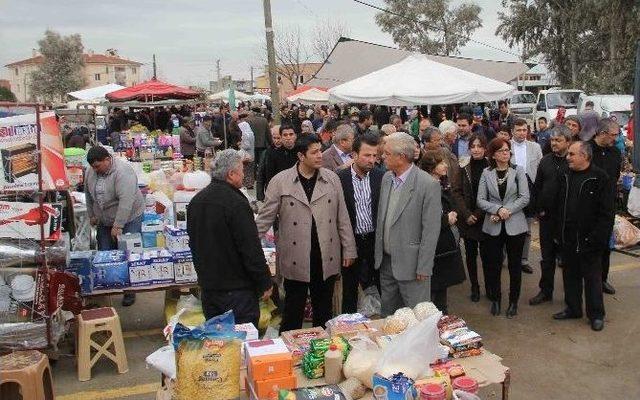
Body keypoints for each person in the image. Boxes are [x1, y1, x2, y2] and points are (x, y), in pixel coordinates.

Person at [256, 135, 357, 331]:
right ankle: (288, 353)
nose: (320, 155)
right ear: (301, 156)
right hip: (295, 257)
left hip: (325, 255)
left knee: (324, 311)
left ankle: (323, 353)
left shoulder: (331, 178)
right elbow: (265, 218)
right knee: (293, 311)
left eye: (320, 150)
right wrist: (248, 247)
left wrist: (349, 250)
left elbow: (342, 217)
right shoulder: (281, 181)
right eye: (315, 152)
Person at [187, 150, 273, 325]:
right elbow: (250, 248)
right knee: (241, 343)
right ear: (231, 174)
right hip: (237, 292)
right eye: (241, 170)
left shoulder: (197, 201)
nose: (244, 174)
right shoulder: (236, 203)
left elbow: (193, 243)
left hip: (209, 288)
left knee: (218, 345)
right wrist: (264, 281)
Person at [375, 132, 442, 316]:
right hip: (387, 262)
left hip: (413, 267)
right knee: (389, 317)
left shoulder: (428, 184)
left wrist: (424, 266)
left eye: (387, 153)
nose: (382, 157)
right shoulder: (387, 178)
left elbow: (431, 229)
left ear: (401, 157)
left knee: (417, 318)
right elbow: (383, 217)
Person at [553, 141, 613, 332]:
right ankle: (573, 308)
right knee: (570, 275)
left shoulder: (600, 178)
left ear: (584, 156)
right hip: (568, 236)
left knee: (593, 278)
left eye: (571, 154)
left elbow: (607, 214)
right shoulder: (566, 175)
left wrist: (597, 239)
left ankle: (596, 315)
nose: (568, 157)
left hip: (590, 239)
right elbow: (558, 204)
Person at [85, 146, 144, 307]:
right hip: (104, 219)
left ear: (107, 160)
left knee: (127, 254)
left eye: (98, 166)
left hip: (129, 216)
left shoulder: (123, 172)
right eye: (92, 167)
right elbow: (88, 195)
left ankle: (129, 291)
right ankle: (107, 289)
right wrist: (91, 214)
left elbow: (126, 201)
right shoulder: (91, 172)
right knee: (105, 253)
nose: (95, 170)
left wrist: (118, 225)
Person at [477, 138, 530, 318]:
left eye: (507, 150)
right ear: (493, 154)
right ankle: (496, 299)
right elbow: (481, 200)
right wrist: (498, 209)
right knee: (494, 265)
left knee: (515, 266)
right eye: (500, 151)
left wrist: (507, 210)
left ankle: (513, 302)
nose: (505, 153)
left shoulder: (518, 171)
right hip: (493, 226)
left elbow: (524, 197)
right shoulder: (487, 173)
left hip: (515, 225)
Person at [336, 134, 384, 313]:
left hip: (375, 239)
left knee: (380, 282)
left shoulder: (381, 177)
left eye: (374, 155)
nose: (372, 160)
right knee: (350, 287)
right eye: (367, 155)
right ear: (354, 155)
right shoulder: (340, 179)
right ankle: (349, 324)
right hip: (351, 240)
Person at [419, 148, 466, 314]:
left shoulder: (442, 183)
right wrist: (447, 219)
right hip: (435, 245)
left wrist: (453, 214)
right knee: (433, 287)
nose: (445, 165)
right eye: (441, 163)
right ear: (432, 167)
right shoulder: (426, 187)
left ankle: (441, 316)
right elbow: (424, 218)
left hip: (445, 244)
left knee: (442, 286)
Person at [528, 125, 571, 305]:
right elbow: (537, 188)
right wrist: (538, 210)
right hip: (547, 219)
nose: (554, 143)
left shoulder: (573, 161)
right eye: (552, 140)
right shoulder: (545, 161)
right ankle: (545, 291)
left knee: (568, 260)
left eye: (558, 140)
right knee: (547, 258)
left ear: (568, 142)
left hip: (568, 221)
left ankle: (571, 296)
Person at [452, 134, 490, 302]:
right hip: (467, 219)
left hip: (486, 217)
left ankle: (490, 287)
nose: (476, 149)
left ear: (485, 148)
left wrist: (478, 213)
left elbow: (492, 194)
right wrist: (466, 214)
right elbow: (456, 191)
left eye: (479, 146)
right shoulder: (463, 166)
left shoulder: (491, 166)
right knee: (470, 255)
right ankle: (474, 286)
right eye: (473, 146)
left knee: (489, 256)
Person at [589, 119, 622, 295]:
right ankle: (583, 279)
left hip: (607, 207)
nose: (616, 139)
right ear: (602, 133)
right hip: (587, 207)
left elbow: (615, 177)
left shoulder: (615, 152)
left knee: (605, 246)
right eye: (614, 135)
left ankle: (603, 279)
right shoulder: (586, 150)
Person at [510, 118, 542, 274]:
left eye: (524, 130)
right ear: (512, 131)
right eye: (518, 130)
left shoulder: (535, 147)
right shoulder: (505, 146)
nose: (522, 133)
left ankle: (523, 259)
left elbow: (540, 170)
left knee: (527, 228)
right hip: (511, 191)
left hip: (530, 191)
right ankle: (506, 256)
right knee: (508, 225)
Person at [264, 124, 297, 190]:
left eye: (291, 134)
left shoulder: (301, 151)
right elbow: (269, 176)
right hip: (281, 189)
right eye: (285, 135)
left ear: (295, 136)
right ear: (281, 137)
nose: (288, 137)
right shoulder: (273, 154)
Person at [256, 125, 282, 201]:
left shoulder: (288, 152)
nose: (276, 141)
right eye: (274, 138)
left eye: (279, 138)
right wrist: (260, 195)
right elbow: (260, 174)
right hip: (271, 190)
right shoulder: (267, 152)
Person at [247, 107, 270, 172]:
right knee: (261, 162)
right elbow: (268, 133)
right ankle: (261, 174)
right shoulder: (264, 120)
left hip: (253, 145)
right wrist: (271, 143)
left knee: (254, 161)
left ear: (254, 112)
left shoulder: (249, 121)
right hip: (262, 144)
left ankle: (254, 176)